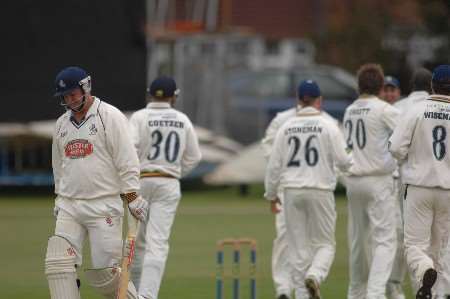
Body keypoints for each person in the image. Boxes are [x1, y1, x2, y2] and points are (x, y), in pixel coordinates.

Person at [45, 66, 148, 299]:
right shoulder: (61, 124)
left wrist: (131, 195)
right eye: (65, 96)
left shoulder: (109, 116)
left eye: (73, 94)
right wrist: (59, 198)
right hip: (70, 206)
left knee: (107, 275)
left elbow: (127, 158)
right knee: (59, 264)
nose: (70, 100)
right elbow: (58, 166)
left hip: (104, 205)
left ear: (86, 87)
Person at [265, 80, 353, 299]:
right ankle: (315, 274)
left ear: (298, 100)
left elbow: (274, 166)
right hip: (320, 190)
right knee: (325, 245)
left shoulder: (286, 126)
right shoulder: (328, 125)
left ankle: (303, 293)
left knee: (297, 250)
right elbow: (344, 162)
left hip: (292, 192)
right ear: (319, 101)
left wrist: (271, 194)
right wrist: (352, 158)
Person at [129, 76, 202, 299]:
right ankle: (146, 296)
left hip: (140, 182)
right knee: (157, 243)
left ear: (150, 94)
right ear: (174, 96)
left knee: (137, 242)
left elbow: (129, 150)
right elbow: (194, 157)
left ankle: (136, 292)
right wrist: (175, 172)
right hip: (168, 183)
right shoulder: (182, 119)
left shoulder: (139, 117)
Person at [389, 64, 450, 299]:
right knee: (439, 249)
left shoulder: (416, 110)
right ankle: (436, 293)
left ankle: (425, 270)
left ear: (432, 85)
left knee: (414, 246)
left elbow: (395, 148)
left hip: (418, 186)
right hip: (447, 190)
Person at [343, 63, 399, 299]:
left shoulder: (350, 110)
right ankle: (375, 294)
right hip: (378, 179)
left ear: (359, 86)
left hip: (353, 181)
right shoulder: (384, 109)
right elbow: (405, 136)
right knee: (385, 241)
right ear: (379, 86)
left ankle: (356, 293)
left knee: (358, 240)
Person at [386, 67, 432, 299]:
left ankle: (396, 284)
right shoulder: (441, 106)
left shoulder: (399, 108)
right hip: (441, 183)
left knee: (406, 237)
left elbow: (393, 147)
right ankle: (433, 290)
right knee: (436, 240)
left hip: (405, 181)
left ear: (411, 85)